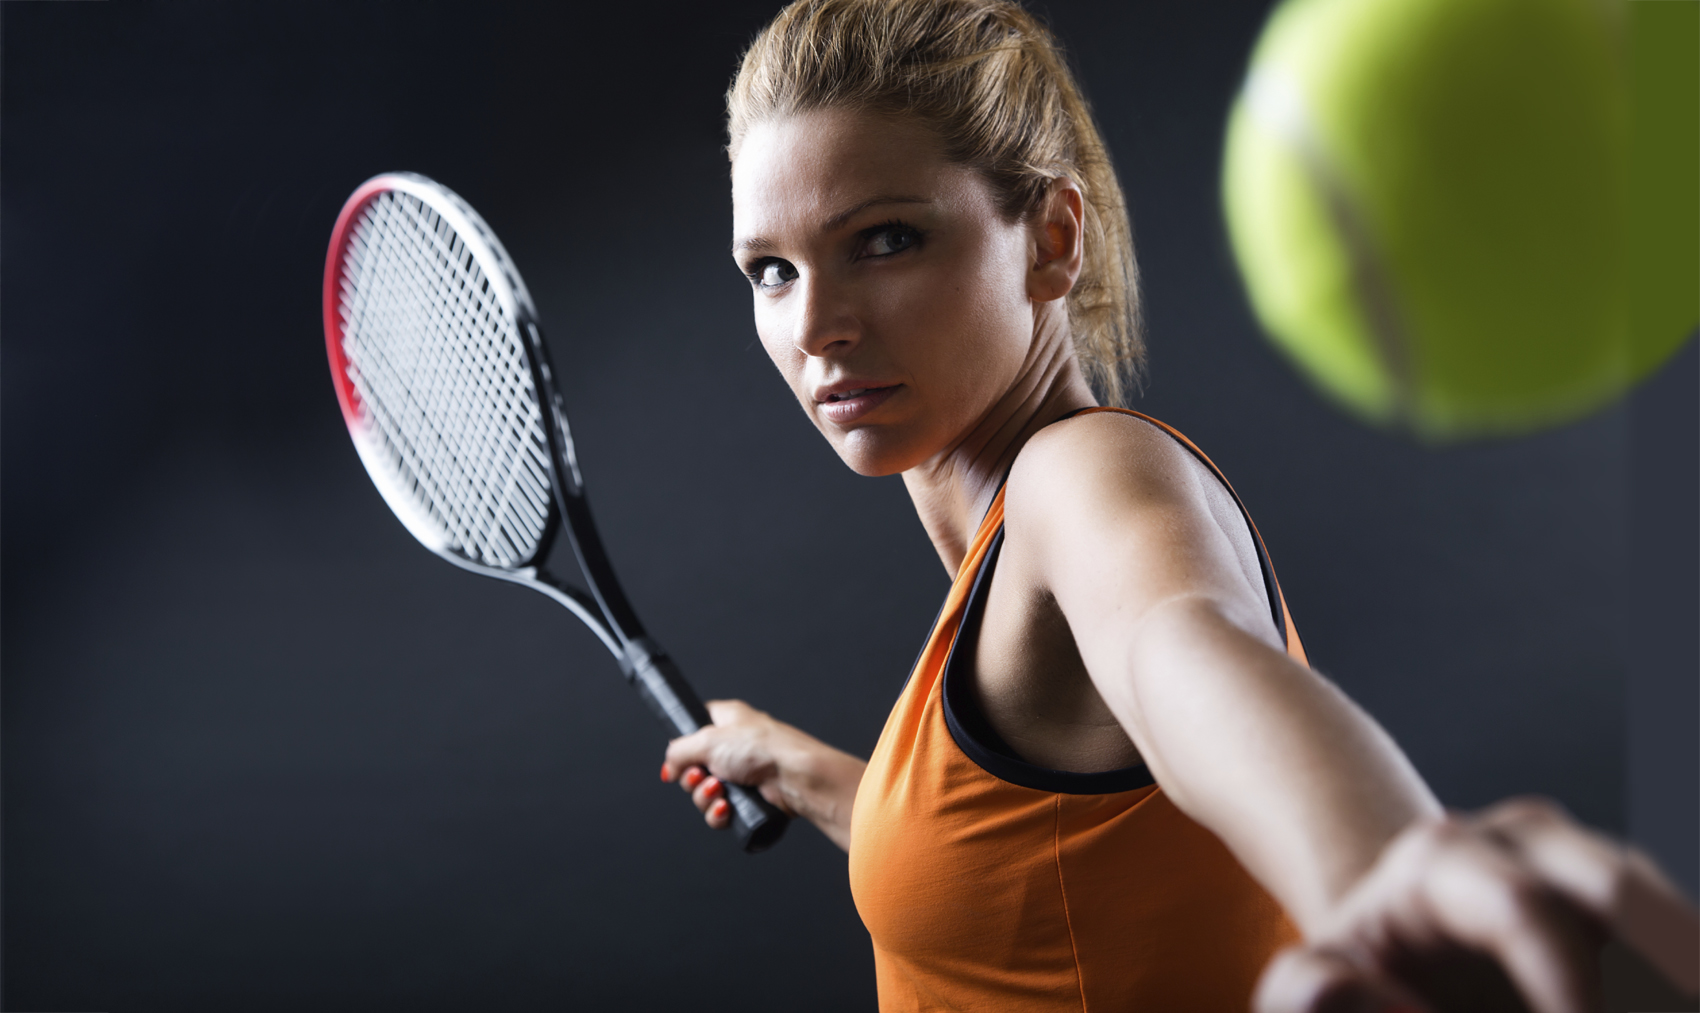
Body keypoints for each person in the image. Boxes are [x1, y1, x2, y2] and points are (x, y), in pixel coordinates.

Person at [656, 1, 1700, 1009]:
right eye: (771, 270)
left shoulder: (1079, 477)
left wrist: (1384, 864)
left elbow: (1180, 644)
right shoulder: (997, 582)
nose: (816, 324)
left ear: (1052, 238)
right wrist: (804, 771)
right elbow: (1032, 873)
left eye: (883, 240)